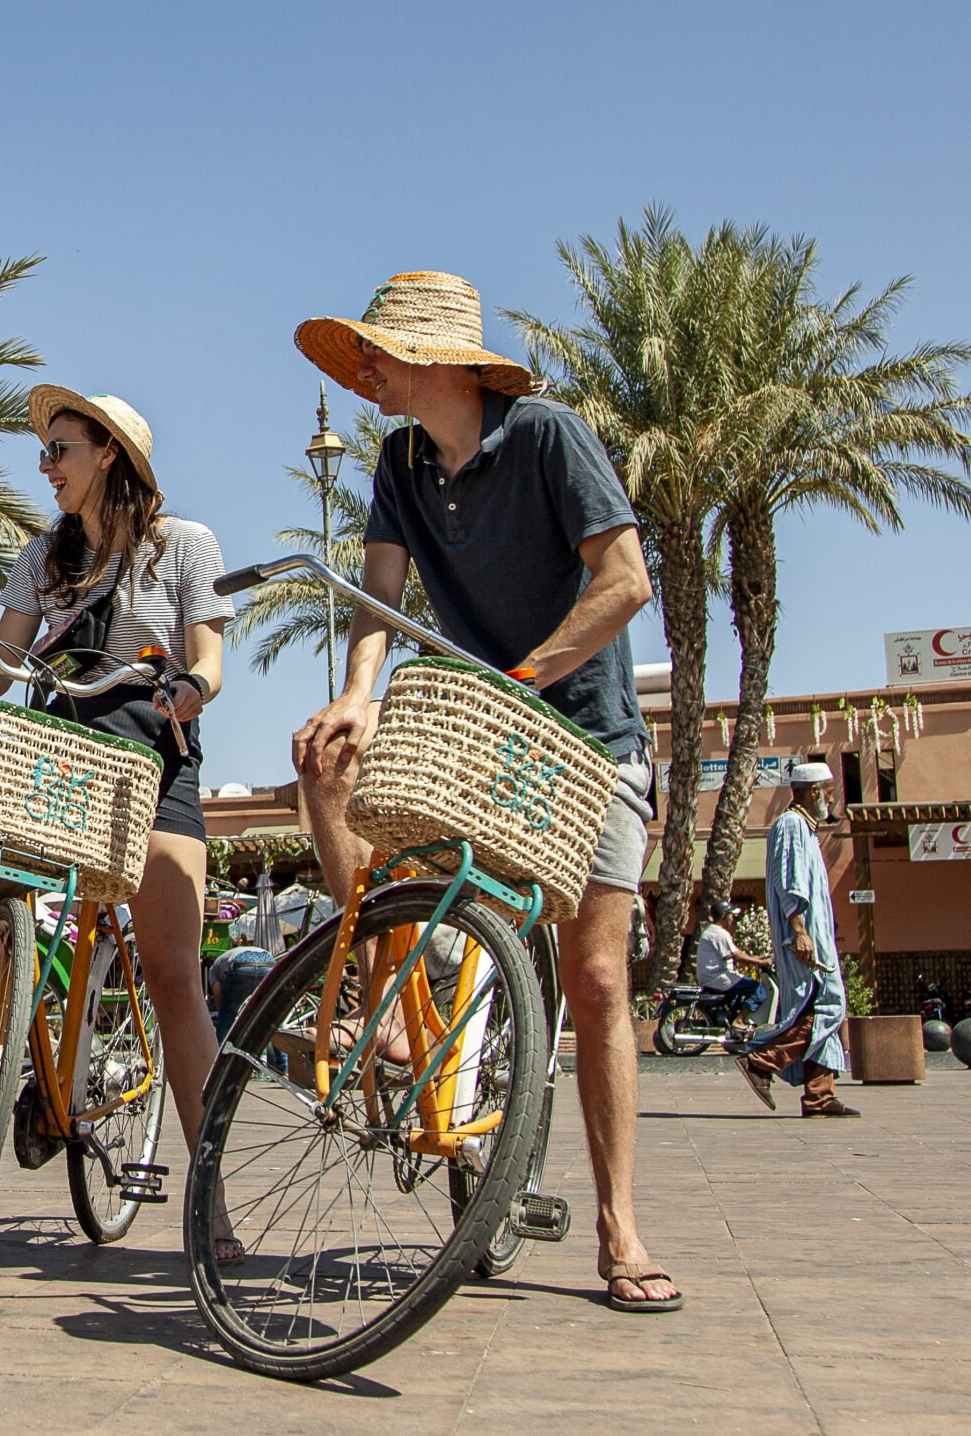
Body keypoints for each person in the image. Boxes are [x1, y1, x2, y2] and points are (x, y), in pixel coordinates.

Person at [288, 273, 678, 1314]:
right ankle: (387, 996)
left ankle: (618, 1229)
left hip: (587, 736)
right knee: (323, 757)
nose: (363, 369)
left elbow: (626, 579)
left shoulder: (546, 438)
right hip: (483, 739)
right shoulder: (398, 460)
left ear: (434, 359)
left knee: (595, 983)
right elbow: (377, 590)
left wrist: (528, 677)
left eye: (375, 352)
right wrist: (359, 696)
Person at [0, 387, 231, 1211]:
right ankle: (12, 1043)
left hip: (152, 752)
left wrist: (192, 687)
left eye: (61, 449)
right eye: (47, 450)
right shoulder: (40, 558)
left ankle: (211, 1196)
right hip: (59, 752)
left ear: (109, 456)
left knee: (171, 975)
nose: (45, 464)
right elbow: (2, 666)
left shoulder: (186, 545)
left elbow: (210, 658)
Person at [741, 763, 859, 1118]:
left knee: (817, 1008)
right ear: (813, 792)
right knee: (825, 1006)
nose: (833, 796)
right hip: (803, 939)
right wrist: (800, 929)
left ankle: (820, 1096)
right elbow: (790, 882)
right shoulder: (791, 825)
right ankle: (762, 1061)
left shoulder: (807, 829)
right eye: (829, 789)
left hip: (815, 938)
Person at [694, 898, 770, 1025]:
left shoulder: (712, 931)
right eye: (731, 915)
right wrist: (761, 963)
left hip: (714, 977)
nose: (733, 919)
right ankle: (739, 1021)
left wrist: (756, 959)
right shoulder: (719, 933)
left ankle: (732, 1019)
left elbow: (735, 951)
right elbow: (737, 955)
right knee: (758, 989)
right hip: (717, 977)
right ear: (723, 916)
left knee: (739, 991)